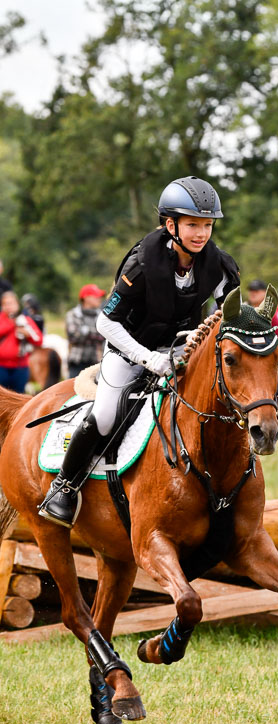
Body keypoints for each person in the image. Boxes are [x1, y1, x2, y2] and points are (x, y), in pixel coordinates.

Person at [39, 175, 240, 528]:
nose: (201, 234)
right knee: (105, 416)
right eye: (192, 225)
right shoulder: (142, 263)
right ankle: (64, 486)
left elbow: (229, 318)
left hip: (181, 351)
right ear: (170, 225)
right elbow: (105, 322)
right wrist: (148, 358)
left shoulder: (219, 264)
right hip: (129, 350)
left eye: (207, 225)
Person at [0, 291, 43, 392]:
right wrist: (12, 324)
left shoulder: (25, 320)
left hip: (20, 367)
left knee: (18, 396)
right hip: (1, 367)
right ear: (2, 306)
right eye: (6, 304)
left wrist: (27, 334)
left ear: (17, 304)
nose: (9, 306)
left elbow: (39, 340)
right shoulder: (2, 319)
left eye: (11, 303)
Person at [66, 284, 106, 378]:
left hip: (96, 363)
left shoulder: (102, 315)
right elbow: (74, 337)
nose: (99, 299)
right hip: (76, 362)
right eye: (96, 296)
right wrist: (96, 334)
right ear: (86, 298)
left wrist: (86, 331)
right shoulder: (72, 314)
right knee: (72, 387)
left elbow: (104, 335)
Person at [247, 278, 278, 346]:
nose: (252, 293)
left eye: (256, 291)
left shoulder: (270, 314)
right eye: (251, 290)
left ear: (265, 292)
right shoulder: (243, 310)